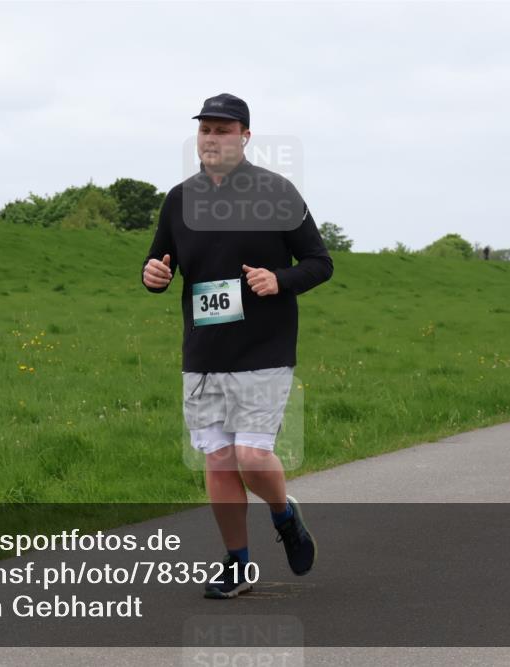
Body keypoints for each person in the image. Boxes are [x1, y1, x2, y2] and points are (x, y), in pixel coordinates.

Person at [142, 93, 332, 599]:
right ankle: (238, 564)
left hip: (263, 347)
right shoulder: (180, 199)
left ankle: (284, 515)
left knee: (251, 456)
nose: (211, 138)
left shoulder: (277, 193)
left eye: (223, 130)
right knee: (220, 461)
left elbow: (319, 262)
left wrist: (280, 279)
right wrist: (153, 275)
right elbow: (158, 264)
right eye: (205, 129)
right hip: (205, 351)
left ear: (245, 136)